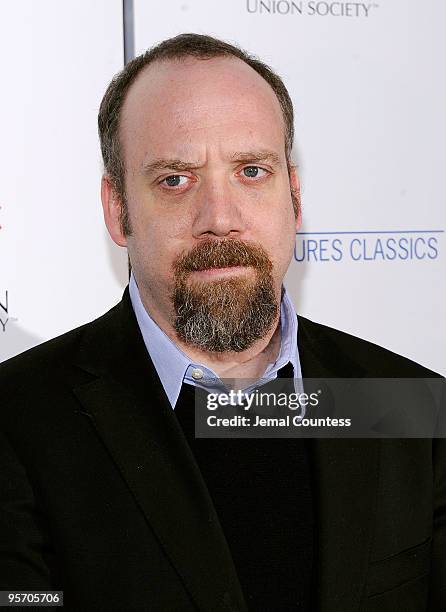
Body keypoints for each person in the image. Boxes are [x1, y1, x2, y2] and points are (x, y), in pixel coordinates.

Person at [0, 33, 444, 611]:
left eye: (252, 171)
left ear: (296, 196)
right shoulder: (18, 424)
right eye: (175, 180)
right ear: (117, 210)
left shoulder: (406, 407)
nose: (220, 218)